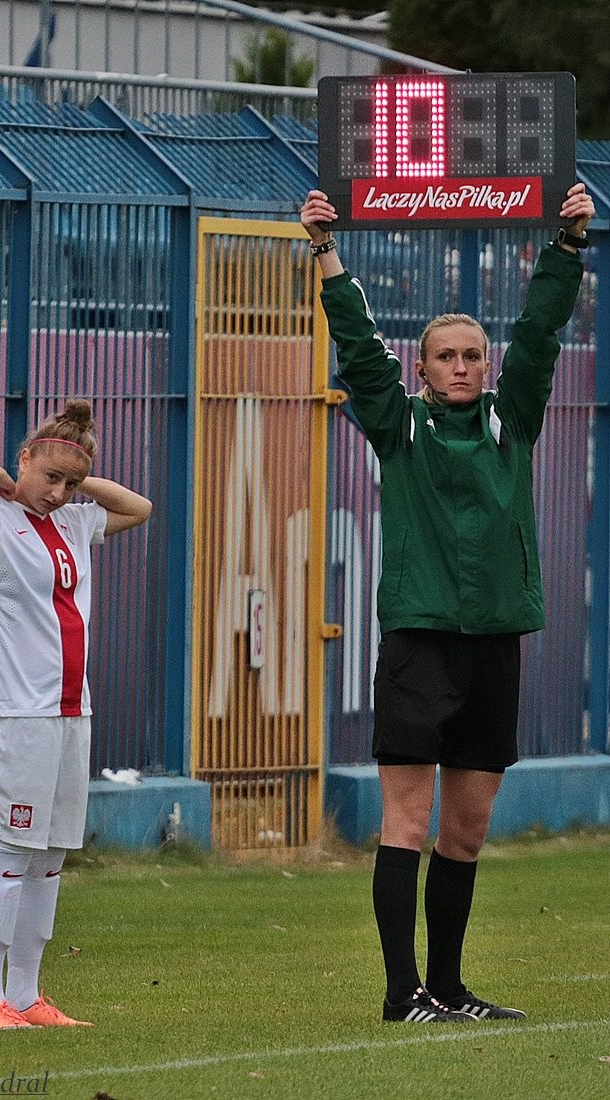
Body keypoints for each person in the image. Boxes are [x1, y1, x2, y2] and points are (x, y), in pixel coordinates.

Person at [301, 183, 595, 1024]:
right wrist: (325, 251)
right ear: (420, 369)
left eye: (472, 354)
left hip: (493, 643)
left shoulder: (513, 421)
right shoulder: (398, 426)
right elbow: (356, 344)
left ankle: (451, 987)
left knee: (464, 832)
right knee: (405, 818)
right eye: (445, 356)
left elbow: (540, 336)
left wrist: (565, 247)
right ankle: (402, 994)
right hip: (420, 642)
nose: (462, 365)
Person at [0, 399, 152, 1030]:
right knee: (8, 852)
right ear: (24, 460)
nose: (59, 494)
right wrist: (12, 478)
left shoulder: (73, 521)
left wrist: (73, 470)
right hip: (17, 710)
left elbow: (137, 508)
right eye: (50, 479)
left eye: (70, 485)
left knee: (50, 857)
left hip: (70, 711)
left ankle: (29, 996)